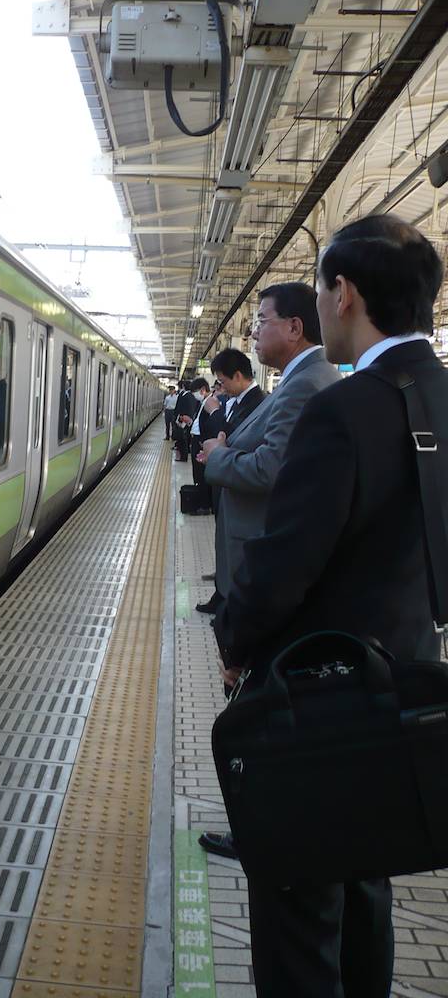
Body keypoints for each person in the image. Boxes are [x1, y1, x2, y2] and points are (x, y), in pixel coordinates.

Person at [214, 214, 447, 998]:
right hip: (410, 691)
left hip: (319, 702)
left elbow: (284, 564)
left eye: (319, 292)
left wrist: (234, 639)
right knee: (365, 892)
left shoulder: (342, 412)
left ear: (343, 293)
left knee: (300, 914)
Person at [195, 283, 340, 860]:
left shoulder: (307, 385)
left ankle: (261, 827)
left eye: (260, 320)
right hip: (258, 567)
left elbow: (269, 471)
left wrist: (218, 456)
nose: (252, 331)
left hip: (267, 573)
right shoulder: (298, 383)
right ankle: (260, 820)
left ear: (295, 329)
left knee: (258, 711)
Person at [196, 349, 266, 608]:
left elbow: (232, 435)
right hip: (225, 473)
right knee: (222, 535)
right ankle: (221, 592)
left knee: (232, 541)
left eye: (223, 382)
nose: (220, 388)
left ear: (238, 376)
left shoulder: (259, 402)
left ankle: (226, 597)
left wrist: (215, 414)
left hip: (237, 478)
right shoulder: (236, 400)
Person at [174, 377, 209, 462]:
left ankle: (184, 456)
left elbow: (207, 424)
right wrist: (190, 421)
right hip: (196, 439)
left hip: (201, 441)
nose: (194, 396)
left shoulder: (210, 403)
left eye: (194, 393)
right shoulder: (201, 402)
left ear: (203, 389)